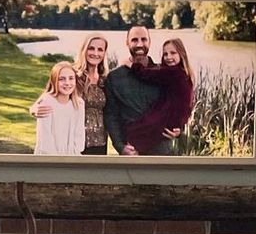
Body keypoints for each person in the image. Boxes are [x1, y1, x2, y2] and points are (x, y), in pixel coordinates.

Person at [120, 37, 196, 156]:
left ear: (182, 54)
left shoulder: (175, 73)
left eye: (173, 53)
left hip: (166, 120)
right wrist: (180, 126)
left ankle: (134, 150)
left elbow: (147, 74)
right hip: (173, 123)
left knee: (135, 130)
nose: (168, 57)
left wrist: (131, 65)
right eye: (165, 54)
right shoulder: (184, 74)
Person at [101, 24, 164, 154]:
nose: (139, 44)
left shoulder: (162, 72)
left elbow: (179, 101)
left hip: (161, 147)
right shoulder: (114, 77)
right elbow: (111, 115)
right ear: (127, 43)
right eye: (134, 40)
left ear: (150, 42)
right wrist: (120, 146)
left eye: (144, 39)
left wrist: (178, 128)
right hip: (132, 149)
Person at [28, 59, 85, 155]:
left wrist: (74, 156)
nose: (67, 83)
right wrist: (57, 161)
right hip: (49, 157)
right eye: (61, 79)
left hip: (72, 156)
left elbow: (79, 134)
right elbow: (45, 139)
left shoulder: (79, 104)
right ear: (54, 81)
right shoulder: (46, 101)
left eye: (71, 78)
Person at [73, 34, 110, 154]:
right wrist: (35, 108)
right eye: (91, 48)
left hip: (100, 140)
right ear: (84, 50)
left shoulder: (106, 80)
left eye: (100, 50)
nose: (95, 53)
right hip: (76, 139)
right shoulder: (73, 76)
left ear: (104, 53)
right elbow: (51, 93)